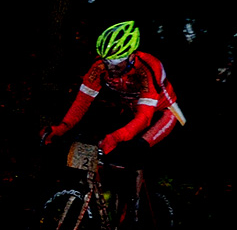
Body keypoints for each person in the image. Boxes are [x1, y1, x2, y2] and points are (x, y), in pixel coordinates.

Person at [41, 20, 186, 157]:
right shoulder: (99, 67)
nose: (110, 67)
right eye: (106, 60)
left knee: (135, 151)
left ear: (131, 56)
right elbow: (82, 102)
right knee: (91, 140)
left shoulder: (148, 68)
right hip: (129, 110)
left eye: (115, 62)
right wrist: (63, 127)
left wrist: (116, 137)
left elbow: (145, 117)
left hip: (162, 113)